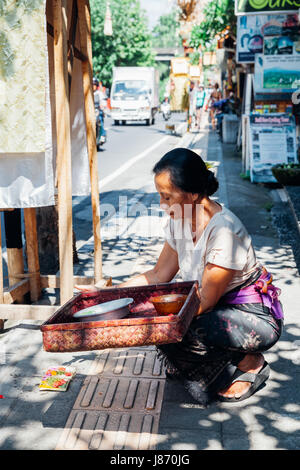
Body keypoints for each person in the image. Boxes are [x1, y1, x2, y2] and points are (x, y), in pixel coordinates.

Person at [76, 148, 283, 405]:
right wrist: (107, 296)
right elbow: (158, 274)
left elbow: (205, 299)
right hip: (212, 308)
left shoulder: (224, 231)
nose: (162, 205)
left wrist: (150, 317)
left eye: (167, 197)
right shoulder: (180, 219)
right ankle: (207, 362)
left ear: (194, 194)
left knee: (174, 328)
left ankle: (250, 362)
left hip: (251, 316)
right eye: (160, 196)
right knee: (165, 330)